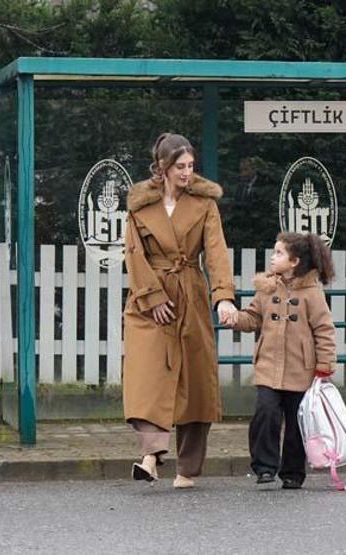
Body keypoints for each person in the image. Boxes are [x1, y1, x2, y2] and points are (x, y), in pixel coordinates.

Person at [122, 132, 237, 489]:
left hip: (190, 293)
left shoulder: (205, 204)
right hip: (149, 299)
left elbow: (216, 253)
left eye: (191, 166)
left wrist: (223, 298)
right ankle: (151, 454)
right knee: (147, 377)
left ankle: (187, 469)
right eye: (180, 166)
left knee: (195, 382)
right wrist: (152, 298)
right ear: (162, 168)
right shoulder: (140, 206)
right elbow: (134, 254)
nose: (187, 173)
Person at [224, 232, 337, 489]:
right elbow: (253, 318)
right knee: (265, 413)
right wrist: (235, 318)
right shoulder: (267, 288)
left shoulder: (312, 293)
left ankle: (293, 473)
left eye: (278, 253)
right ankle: (264, 467)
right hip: (268, 366)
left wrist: (325, 365)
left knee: (297, 424)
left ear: (294, 261)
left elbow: (324, 330)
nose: (272, 258)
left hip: (302, 369)